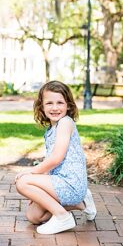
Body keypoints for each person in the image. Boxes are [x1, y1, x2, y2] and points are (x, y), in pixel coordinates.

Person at [15, 81, 96, 234]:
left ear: (69, 105)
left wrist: (31, 173)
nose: (55, 107)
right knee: (33, 216)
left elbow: (56, 158)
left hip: (70, 183)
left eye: (60, 102)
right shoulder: (51, 129)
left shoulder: (65, 123)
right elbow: (51, 163)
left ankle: (63, 217)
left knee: (22, 182)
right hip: (59, 182)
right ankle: (82, 203)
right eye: (49, 103)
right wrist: (38, 189)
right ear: (42, 106)